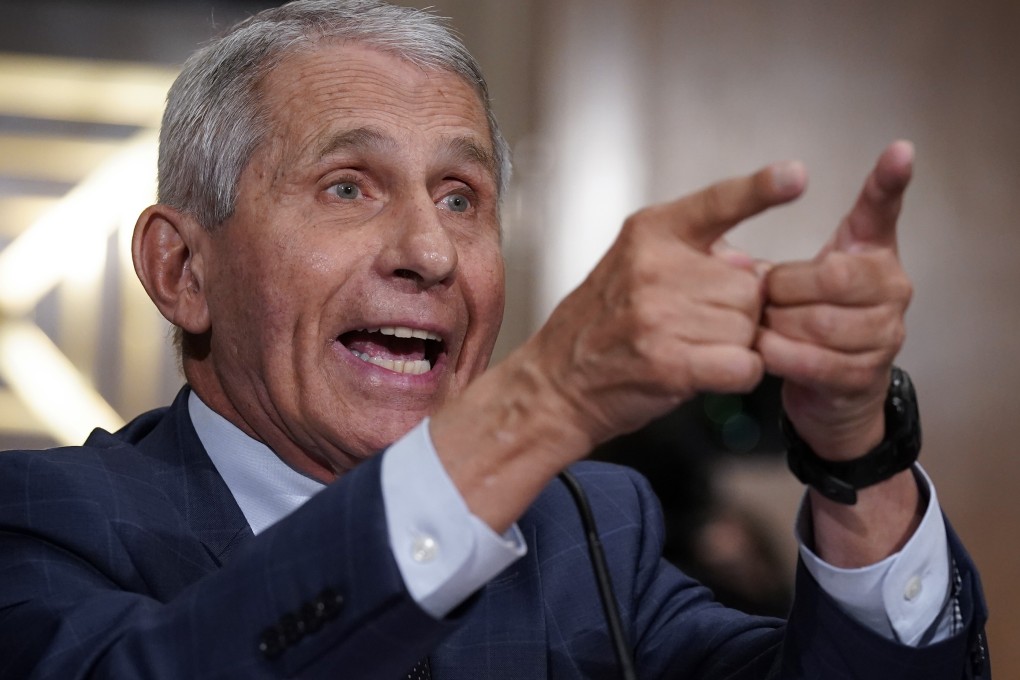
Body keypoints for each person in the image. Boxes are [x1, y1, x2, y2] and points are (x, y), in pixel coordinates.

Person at [0, 1, 989, 678]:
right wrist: (548, 401)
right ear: (182, 270)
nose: (430, 250)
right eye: (349, 185)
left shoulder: (594, 529)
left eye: (462, 196)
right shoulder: (45, 521)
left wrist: (859, 446)